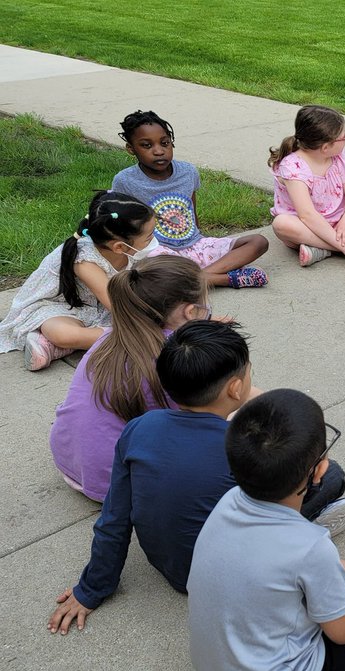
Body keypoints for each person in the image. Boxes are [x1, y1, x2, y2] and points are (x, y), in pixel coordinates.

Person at [46, 321, 345, 635]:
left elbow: (114, 517)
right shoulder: (241, 449)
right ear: (236, 388)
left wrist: (91, 588)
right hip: (226, 573)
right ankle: (306, 542)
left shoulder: (141, 426)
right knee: (331, 476)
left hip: (171, 567)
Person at [188, 389, 345, 671]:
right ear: (319, 469)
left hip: (220, 667)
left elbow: (296, 569)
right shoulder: (310, 546)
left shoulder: (229, 502)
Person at [49, 256, 207, 501]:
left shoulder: (107, 338)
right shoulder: (176, 357)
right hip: (116, 485)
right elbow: (196, 422)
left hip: (69, 462)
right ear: (191, 311)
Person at [0, 191, 157, 371]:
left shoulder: (129, 249)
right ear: (119, 247)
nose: (153, 240)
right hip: (59, 306)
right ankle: (61, 339)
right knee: (63, 333)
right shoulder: (85, 260)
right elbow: (116, 304)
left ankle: (53, 346)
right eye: (149, 237)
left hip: (95, 306)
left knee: (135, 317)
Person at [111, 110, 269, 288]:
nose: (158, 151)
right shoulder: (125, 181)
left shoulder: (187, 172)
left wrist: (202, 240)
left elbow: (191, 209)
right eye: (146, 145)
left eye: (165, 143)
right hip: (158, 251)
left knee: (258, 242)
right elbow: (121, 225)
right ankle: (225, 278)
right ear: (131, 149)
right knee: (149, 269)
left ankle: (195, 278)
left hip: (196, 245)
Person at [268, 105, 345, 267]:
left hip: (340, 223)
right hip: (307, 228)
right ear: (325, 147)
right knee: (281, 224)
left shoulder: (339, 157)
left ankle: (321, 249)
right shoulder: (293, 168)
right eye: (343, 137)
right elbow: (307, 215)